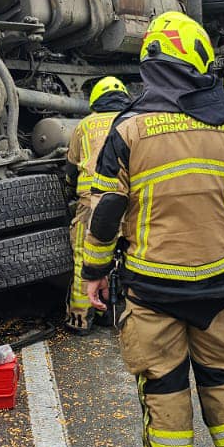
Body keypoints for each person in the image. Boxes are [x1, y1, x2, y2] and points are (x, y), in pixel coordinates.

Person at [82, 11, 224, 447]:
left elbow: (105, 213)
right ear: (200, 61)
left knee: (164, 395)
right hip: (219, 285)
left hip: (151, 290)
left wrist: (93, 274)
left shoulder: (130, 129)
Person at [62, 75, 132, 333]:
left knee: (85, 258)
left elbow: (71, 167)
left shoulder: (85, 125)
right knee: (127, 255)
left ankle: (80, 319)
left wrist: (69, 187)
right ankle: (121, 312)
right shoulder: (132, 121)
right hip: (127, 203)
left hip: (91, 205)